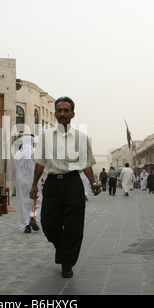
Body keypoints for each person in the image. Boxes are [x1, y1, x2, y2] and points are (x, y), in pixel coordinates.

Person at [29, 96, 101, 279]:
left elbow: (85, 163)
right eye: (59, 110)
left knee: (73, 227)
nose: (62, 114)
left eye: (66, 110)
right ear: (55, 114)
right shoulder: (46, 136)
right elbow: (40, 163)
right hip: (52, 184)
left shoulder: (80, 137)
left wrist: (93, 183)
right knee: (48, 223)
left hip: (73, 184)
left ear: (72, 114)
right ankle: (62, 251)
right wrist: (34, 184)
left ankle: (67, 264)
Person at [13, 134, 44, 233]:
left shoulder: (17, 154)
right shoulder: (35, 152)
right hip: (33, 180)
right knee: (36, 199)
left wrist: (15, 182)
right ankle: (32, 217)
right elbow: (41, 167)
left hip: (20, 181)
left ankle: (26, 225)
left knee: (23, 203)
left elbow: (14, 170)